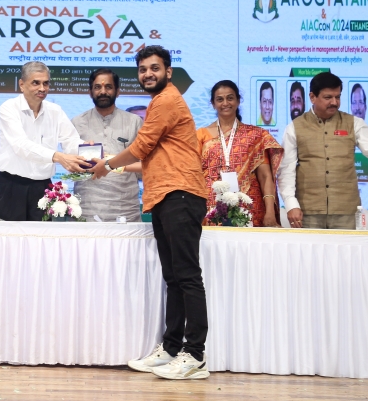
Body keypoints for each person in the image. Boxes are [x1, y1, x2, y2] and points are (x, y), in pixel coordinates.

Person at [90, 45, 209, 381]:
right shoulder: (160, 102)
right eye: (142, 70)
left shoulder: (166, 100)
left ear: (168, 72)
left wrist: (107, 164)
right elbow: (149, 156)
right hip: (163, 196)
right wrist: (113, 166)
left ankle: (195, 355)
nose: (148, 74)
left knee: (187, 277)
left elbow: (141, 147)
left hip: (180, 194)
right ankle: (171, 348)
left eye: (154, 68)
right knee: (173, 277)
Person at [279, 72, 368, 229]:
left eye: (337, 97)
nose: (334, 102)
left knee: (347, 247)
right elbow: (286, 169)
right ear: (312, 97)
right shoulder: (294, 127)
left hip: (346, 211)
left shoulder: (354, 123)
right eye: (328, 97)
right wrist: (291, 204)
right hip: (308, 212)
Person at [0, 61, 89, 221]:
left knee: (42, 236)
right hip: (11, 187)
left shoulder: (55, 111)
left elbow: (70, 140)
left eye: (46, 83)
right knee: (7, 236)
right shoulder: (8, 108)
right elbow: (21, 145)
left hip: (43, 188)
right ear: (21, 84)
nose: (42, 88)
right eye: (36, 83)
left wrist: (88, 150)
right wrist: (58, 157)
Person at [196, 80, 283, 227]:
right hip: (211, 209)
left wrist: (270, 211)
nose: (225, 103)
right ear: (213, 104)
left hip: (250, 208)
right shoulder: (201, 136)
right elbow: (195, 176)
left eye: (230, 98)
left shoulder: (255, 135)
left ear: (238, 101)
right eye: (220, 99)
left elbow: (265, 176)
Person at [71, 68, 143, 221]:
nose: (103, 91)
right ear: (90, 92)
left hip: (125, 210)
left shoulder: (134, 122)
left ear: (118, 91)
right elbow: (71, 166)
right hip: (86, 208)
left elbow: (145, 166)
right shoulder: (76, 123)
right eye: (97, 87)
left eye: (108, 87)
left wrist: (113, 163)